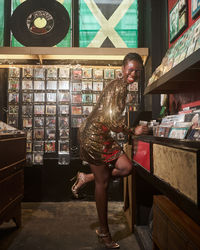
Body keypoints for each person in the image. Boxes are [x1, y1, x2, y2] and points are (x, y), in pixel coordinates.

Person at [71, 53, 148, 249]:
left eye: (137, 71)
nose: (134, 73)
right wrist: (133, 130)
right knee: (103, 183)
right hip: (93, 137)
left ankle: (85, 178)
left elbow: (111, 121)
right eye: (131, 69)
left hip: (103, 136)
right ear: (123, 69)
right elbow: (112, 122)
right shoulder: (119, 87)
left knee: (126, 167)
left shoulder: (120, 85)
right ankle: (104, 232)